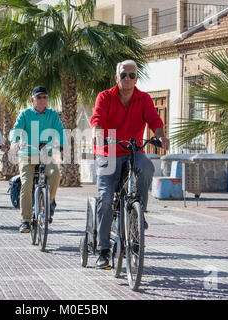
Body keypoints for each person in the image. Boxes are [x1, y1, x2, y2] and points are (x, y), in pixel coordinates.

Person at [90, 60, 170, 269]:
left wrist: (160, 137)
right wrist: (98, 136)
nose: (127, 79)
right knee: (106, 198)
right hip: (108, 152)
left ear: (136, 78)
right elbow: (97, 119)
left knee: (147, 166)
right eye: (123, 75)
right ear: (116, 78)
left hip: (133, 151)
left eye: (131, 75)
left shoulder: (143, 99)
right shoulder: (105, 97)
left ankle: (138, 211)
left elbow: (154, 121)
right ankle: (104, 250)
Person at [10, 86, 66, 233]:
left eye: (45, 97)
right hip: (28, 153)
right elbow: (16, 129)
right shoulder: (25, 114)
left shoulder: (52, 115)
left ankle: (50, 202)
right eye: (39, 97)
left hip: (46, 152)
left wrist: (62, 145)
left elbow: (60, 130)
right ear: (32, 100)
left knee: (54, 173)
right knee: (27, 183)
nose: (42, 100)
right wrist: (15, 141)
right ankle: (25, 221)